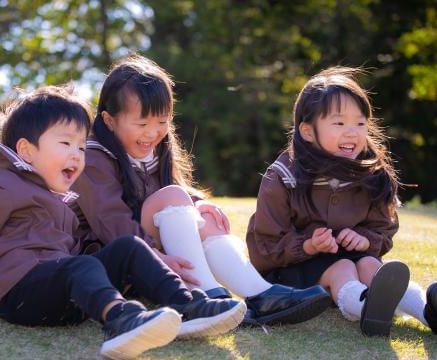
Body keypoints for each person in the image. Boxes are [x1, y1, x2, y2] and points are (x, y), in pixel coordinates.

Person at [0, 85, 246, 360]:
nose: (77, 155)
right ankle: (120, 320)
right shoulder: (1, 185)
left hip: (63, 291)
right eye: (65, 144)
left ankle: (188, 305)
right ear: (26, 151)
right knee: (80, 266)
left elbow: (76, 248)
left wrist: (113, 262)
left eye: (82, 147)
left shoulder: (61, 198)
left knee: (127, 246)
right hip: (19, 294)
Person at [71, 54, 331, 326]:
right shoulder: (94, 158)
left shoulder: (154, 150)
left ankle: (260, 294)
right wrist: (153, 254)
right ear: (109, 121)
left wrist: (196, 203)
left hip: (150, 255)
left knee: (204, 216)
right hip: (112, 263)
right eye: (141, 124)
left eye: (162, 122)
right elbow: (111, 223)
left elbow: (173, 189)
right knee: (173, 197)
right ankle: (204, 295)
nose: (153, 133)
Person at [246, 66, 437, 337]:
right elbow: (265, 246)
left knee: (372, 266)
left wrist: (366, 240)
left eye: (360, 123)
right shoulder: (283, 177)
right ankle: (364, 306)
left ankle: (431, 313)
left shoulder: (370, 171)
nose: (352, 133)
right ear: (308, 132)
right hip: (291, 271)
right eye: (339, 123)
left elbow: (383, 225)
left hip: (350, 257)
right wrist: (308, 245)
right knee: (342, 267)